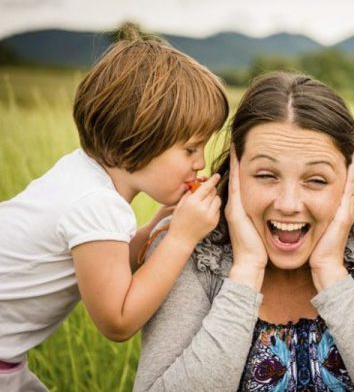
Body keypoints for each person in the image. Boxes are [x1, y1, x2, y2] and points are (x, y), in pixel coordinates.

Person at [134, 72, 354, 392]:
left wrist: (332, 275)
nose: (288, 204)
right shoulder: (186, 247)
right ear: (236, 171)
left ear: (349, 178)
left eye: (316, 180)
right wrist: (245, 272)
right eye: (265, 175)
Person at [0, 25, 228, 391]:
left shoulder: (81, 176)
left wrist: (161, 223)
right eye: (190, 149)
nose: (200, 163)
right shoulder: (97, 204)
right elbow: (118, 321)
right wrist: (181, 239)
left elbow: (114, 265)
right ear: (139, 136)